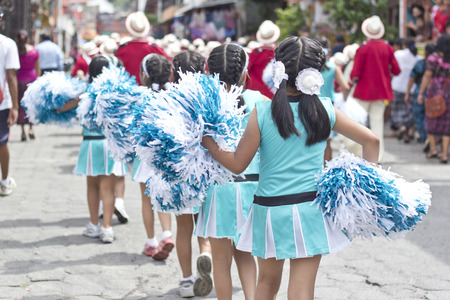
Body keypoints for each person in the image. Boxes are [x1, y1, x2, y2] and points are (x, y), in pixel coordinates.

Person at [201, 36, 379, 300]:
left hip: (269, 211)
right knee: (302, 291)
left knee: (266, 286)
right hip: (310, 210)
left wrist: (210, 145)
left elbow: (238, 163)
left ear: (278, 69)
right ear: (316, 72)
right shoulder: (326, 109)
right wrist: (361, 189)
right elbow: (371, 141)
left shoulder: (262, 111)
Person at [194, 44, 260, 300]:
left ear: (209, 72)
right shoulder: (260, 101)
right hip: (252, 189)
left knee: (221, 262)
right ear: (244, 73)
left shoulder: (201, 104)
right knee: (246, 256)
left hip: (217, 190)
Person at [72, 56, 128, 243]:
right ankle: (107, 229)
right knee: (108, 189)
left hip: (90, 143)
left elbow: (66, 109)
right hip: (109, 144)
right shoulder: (114, 92)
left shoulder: (84, 92)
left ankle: (94, 225)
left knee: (92, 186)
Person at [171, 50, 213, 298]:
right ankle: (206, 252)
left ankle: (187, 280)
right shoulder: (210, 98)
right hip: (206, 169)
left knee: (183, 227)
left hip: (178, 171)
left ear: (174, 72)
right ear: (204, 70)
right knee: (204, 222)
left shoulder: (169, 98)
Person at [132, 53, 174, 260]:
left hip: (146, 156)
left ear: (144, 75)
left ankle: (151, 242)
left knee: (146, 199)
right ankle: (167, 234)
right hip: (168, 156)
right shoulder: (175, 95)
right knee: (163, 196)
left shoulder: (139, 96)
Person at [351, 15, 400, 162]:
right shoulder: (388, 48)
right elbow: (397, 70)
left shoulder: (363, 48)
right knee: (377, 123)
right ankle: (377, 156)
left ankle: (359, 153)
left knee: (358, 122)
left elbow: (356, 72)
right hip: (381, 91)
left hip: (363, 91)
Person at [418, 34, 450, 164]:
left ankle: (433, 149)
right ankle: (444, 154)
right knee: (447, 123)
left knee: (431, 117)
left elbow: (427, 76)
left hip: (435, 91)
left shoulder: (433, 58)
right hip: (448, 91)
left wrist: (421, 93)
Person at [116, 11, 169, 85]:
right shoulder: (154, 48)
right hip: (150, 91)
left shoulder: (122, 49)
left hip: (127, 91)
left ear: (129, 28)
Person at [0, 8, 20, 196]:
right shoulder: (7, 44)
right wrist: (15, 106)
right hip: (2, 102)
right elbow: (11, 76)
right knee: (2, 142)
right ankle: (5, 181)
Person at [390, 38, 422, 144]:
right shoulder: (419, 57)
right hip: (411, 88)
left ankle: (402, 128)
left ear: (404, 46)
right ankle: (407, 134)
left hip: (397, 86)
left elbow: (392, 68)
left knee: (397, 111)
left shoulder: (398, 54)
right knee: (409, 112)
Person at [405, 43, 436, 147]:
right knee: (432, 117)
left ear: (425, 52)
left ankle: (425, 138)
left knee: (419, 117)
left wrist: (407, 93)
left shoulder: (420, 63)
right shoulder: (439, 63)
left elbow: (411, 78)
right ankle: (430, 139)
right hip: (435, 93)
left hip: (420, 92)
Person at [15, 29, 40, 142]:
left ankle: (23, 132)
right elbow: (38, 69)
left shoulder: (16, 51)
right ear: (28, 39)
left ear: (17, 39)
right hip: (32, 80)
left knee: (21, 105)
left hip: (19, 80)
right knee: (31, 105)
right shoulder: (34, 51)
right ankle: (31, 129)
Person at [246, 20, 280, 98]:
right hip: (272, 92)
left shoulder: (255, 52)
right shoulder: (278, 53)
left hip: (254, 92)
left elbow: (248, 69)